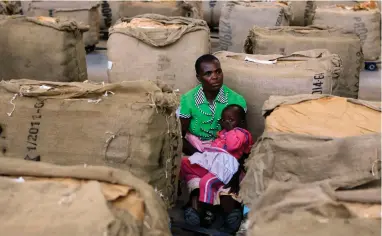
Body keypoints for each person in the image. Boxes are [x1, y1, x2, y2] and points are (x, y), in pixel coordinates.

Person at [177, 54, 249, 232]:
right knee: (190, 170)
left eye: (218, 71)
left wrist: (232, 164)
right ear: (199, 78)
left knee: (230, 173)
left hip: (227, 149)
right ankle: (199, 206)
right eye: (208, 74)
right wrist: (202, 155)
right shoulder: (188, 99)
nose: (215, 77)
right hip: (196, 147)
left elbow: (242, 139)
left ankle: (225, 208)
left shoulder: (236, 100)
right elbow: (180, 135)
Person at [181, 104, 253, 225]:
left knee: (207, 182)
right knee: (185, 163)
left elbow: (232, 145)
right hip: (214, 161)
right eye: (225, 120)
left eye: (231, 120)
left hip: (226, 165)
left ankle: (208, 211)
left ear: (241, 122)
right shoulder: (223, 132)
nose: (227, 122)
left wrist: (230, 130)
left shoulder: (241, 133)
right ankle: (198, 203)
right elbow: (216, 146)